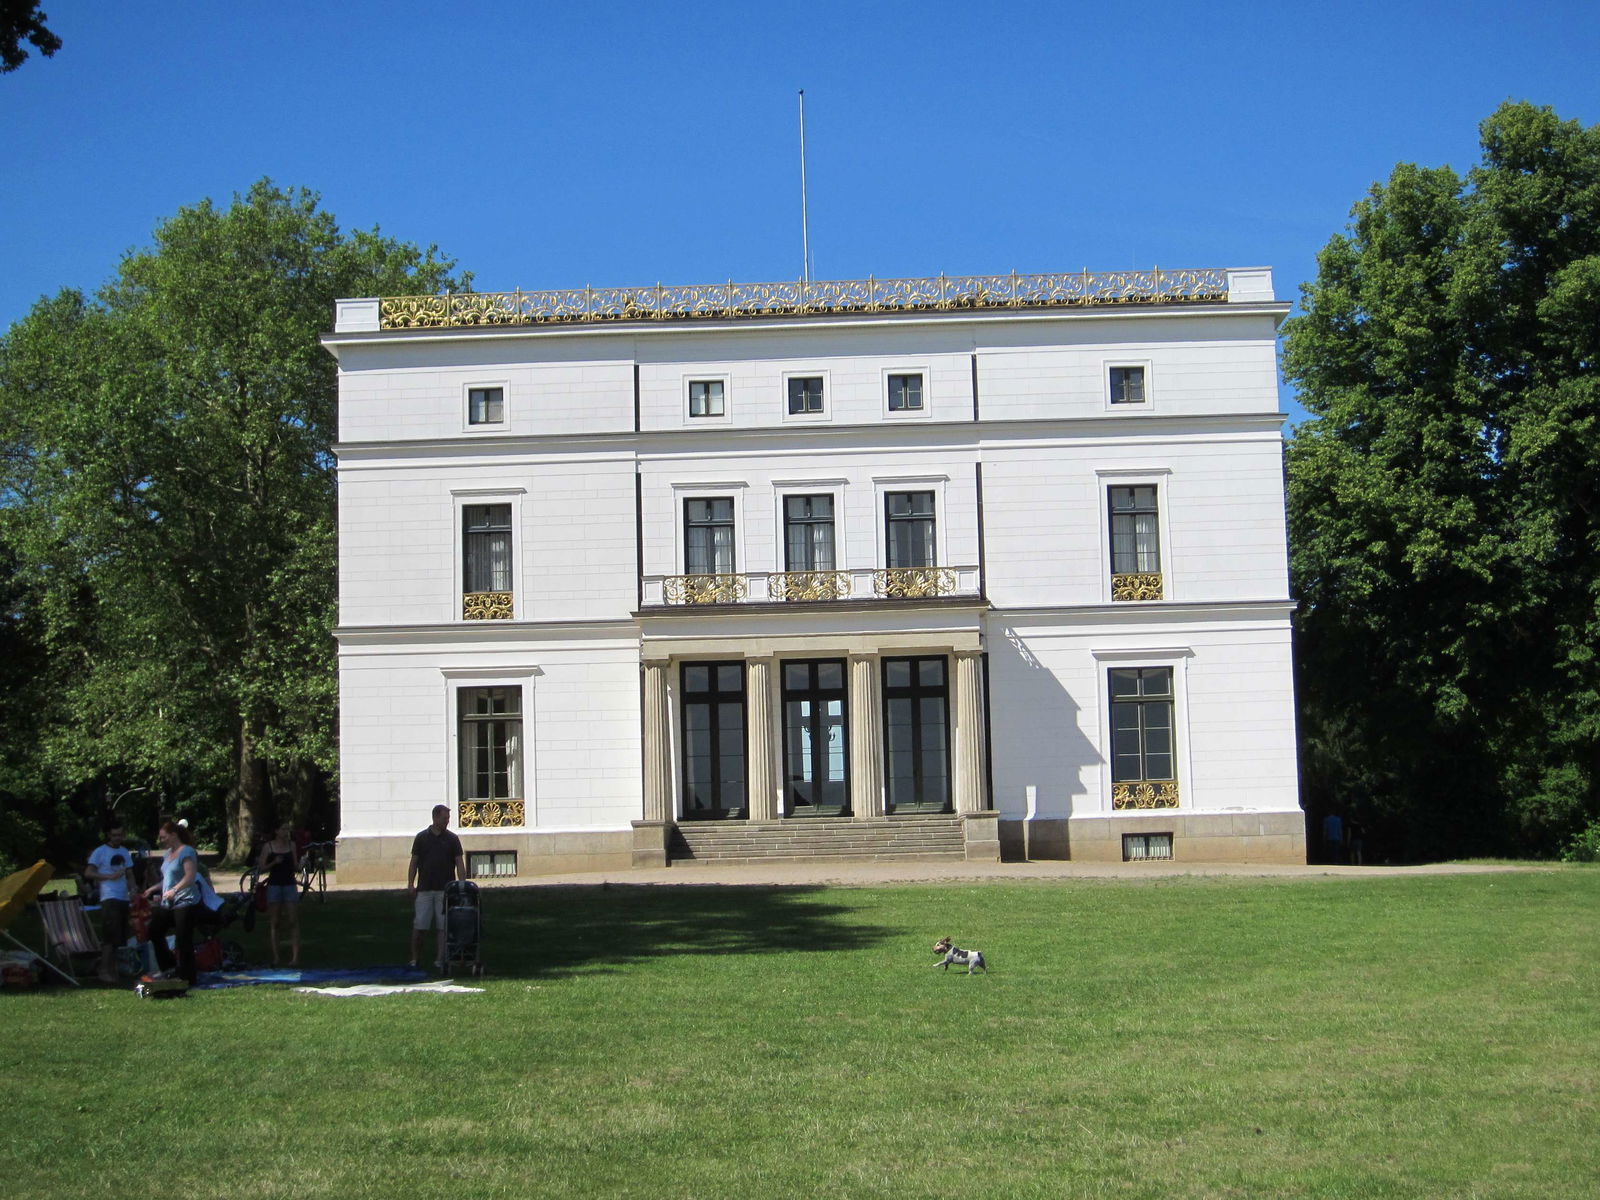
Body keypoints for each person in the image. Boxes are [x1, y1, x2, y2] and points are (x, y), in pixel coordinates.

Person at [142, 820, 202, 985]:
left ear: (174, 835)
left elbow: (189, 877)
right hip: (169, 902)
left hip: (185, 900)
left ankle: (188, 977)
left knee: (183, 940)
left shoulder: (187, 851)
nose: (162, 841)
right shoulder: (167, 854)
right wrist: (153, 888)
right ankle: (169, 967)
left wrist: (174, 890)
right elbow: (167, 878)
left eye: (164, 837)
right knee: (154, 930)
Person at [407, 804, 465, 973]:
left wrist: (461, 885)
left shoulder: (453, 839)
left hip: (445, 890)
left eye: (448, 818)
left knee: (443, 927)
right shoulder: (421, 838)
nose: (447, 821)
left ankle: (440, 959)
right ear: (435, 818)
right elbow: (414, 862)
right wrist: (411, 884)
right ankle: (415, 959)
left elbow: (459, 863)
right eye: (444, 818)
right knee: (420, 926)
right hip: (424, 889)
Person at [84, 823, 135, 983]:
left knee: (119, 937)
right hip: (109, 896)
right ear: (108, 835)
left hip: (123, 897)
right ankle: (104, 970)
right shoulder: (100, 852)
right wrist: (108, 877)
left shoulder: (124, 852)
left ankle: (113, 970)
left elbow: (130, 873)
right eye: (114, 835)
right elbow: (88, 872)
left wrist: (133, 888)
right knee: (109, 937)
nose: (117, 838)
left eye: (120, 835)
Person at [256, 821, 301, 966]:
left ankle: (295, 957)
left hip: (289, 885)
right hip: (274, 885)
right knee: (275, 922)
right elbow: (261, 868)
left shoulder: (292, 845)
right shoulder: (268, 847)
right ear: (276, 831)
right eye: (283, 829)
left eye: (287, 829)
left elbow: (295, 867)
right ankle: (276, 957)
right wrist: (274, 862)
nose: (286, 832)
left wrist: (302, 865)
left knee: (293, 920)